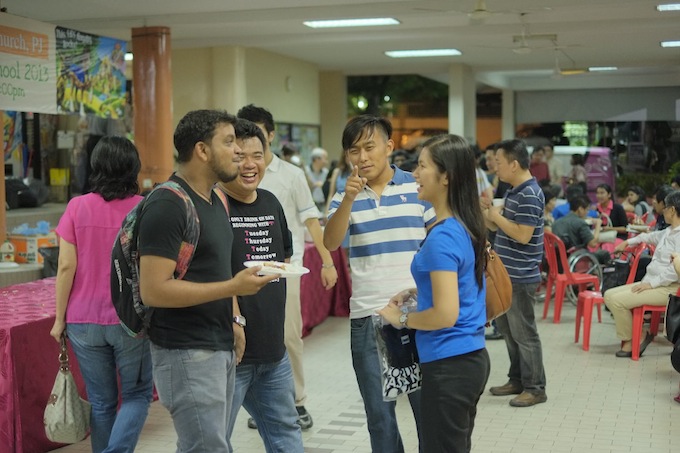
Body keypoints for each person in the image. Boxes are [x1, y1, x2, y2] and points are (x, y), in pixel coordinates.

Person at [137, 109, 279, 452]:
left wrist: (233, 318)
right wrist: (233, 288)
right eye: (229, 142)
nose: (238, 152)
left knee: (208, 445)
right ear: (202, 150)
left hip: (218, 344)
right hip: (185, 350)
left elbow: (212, 270)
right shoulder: (168, 204)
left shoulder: (216, 200)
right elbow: (154, 290)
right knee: (206, 446)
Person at [324, 114, 435, 452]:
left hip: (418, 316)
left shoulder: (417, 189)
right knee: (379, 416)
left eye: (369, 147)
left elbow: (438, 243)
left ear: (388, 147)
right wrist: (346, 199)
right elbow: (330, 242)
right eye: (354, 151)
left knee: (427, 412)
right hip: (367, 317)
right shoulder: (345, 196)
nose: (362, 157)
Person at [377, 134, 490, 453]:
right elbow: (461, 283)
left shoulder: (443, 236)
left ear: (446, 176)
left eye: (422, 166)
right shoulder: (459, 226)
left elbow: (444, 314)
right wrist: (418, 289)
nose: (414, 173)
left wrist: (400, 317)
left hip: (450, 364)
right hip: (465, 359)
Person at [49, 136, 153, 453]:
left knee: (101, 402)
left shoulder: (77, 207)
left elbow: (66, 266)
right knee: (136, 395)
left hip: (82, 321)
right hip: (130, 320)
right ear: (133, 168)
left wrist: (58, 319)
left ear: (96, 167)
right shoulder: (144, 208)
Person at [237, 104, 338, 430]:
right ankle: (261, 404)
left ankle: (297, 401)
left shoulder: (291, 175)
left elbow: (312, 221)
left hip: (284, 270)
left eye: (256, 134)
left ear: (269, 135)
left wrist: (326, 261)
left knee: (288, 335)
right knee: (249, 336)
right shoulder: (233, 176)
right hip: (243, 273)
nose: (250, 144)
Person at [219, 119, 303, 452]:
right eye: (240, 156)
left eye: (258, 154)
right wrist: (235, 319)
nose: (250, 164)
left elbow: (283, 255)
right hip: (229, 354)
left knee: (286, 432)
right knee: (213, 441)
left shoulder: (270, 202)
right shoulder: (213, 205)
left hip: (273, 352)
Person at [484, 138, 547, 407]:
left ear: (514, 163)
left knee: (524, 333)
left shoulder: (530, 194)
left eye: (498, 163)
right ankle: (517, 379)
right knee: (509, 332)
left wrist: (496, 216)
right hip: (506, 273)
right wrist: (489, 212)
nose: (495, 167)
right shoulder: (513, 191)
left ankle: (535, 388)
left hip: (521, 275)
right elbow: (500, 229)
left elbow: (522, 235)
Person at [604, 190, 680, 357]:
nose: (662, 211)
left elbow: (674, 272)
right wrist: (626, 242)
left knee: (617, 301)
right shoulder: (669, 231)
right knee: (609, 295)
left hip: (668, 289)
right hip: (653, 283)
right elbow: (648, 237)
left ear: (672, 210)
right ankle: (637, 336)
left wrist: (650, 284)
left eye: (665, 207)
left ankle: (634, 339)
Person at [551, 194, 608, 263]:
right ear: (580, 209)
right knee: (605, 254)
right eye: (587, 210)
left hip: (558, 261)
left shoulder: (556, 223)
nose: (587, 213)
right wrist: (598, 225)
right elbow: (593, 244)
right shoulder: (581, 223)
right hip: (578, 259)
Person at [595, 183, 628, 251]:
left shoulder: (618, 208)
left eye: (602, 193)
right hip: (601, 237)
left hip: (618, 237)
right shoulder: (597, 209)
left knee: (606, 246)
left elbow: (625, 229)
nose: (599, 196)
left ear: (609, 194)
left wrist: (610, 228)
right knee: (592, 245)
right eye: (598, 193)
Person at [306, 147, 329, 213]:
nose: (326, 162)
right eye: (325, 159)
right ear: (317, 159)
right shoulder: (305, 172)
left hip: (323, 205)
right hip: (309, 206)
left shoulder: (326, 172)